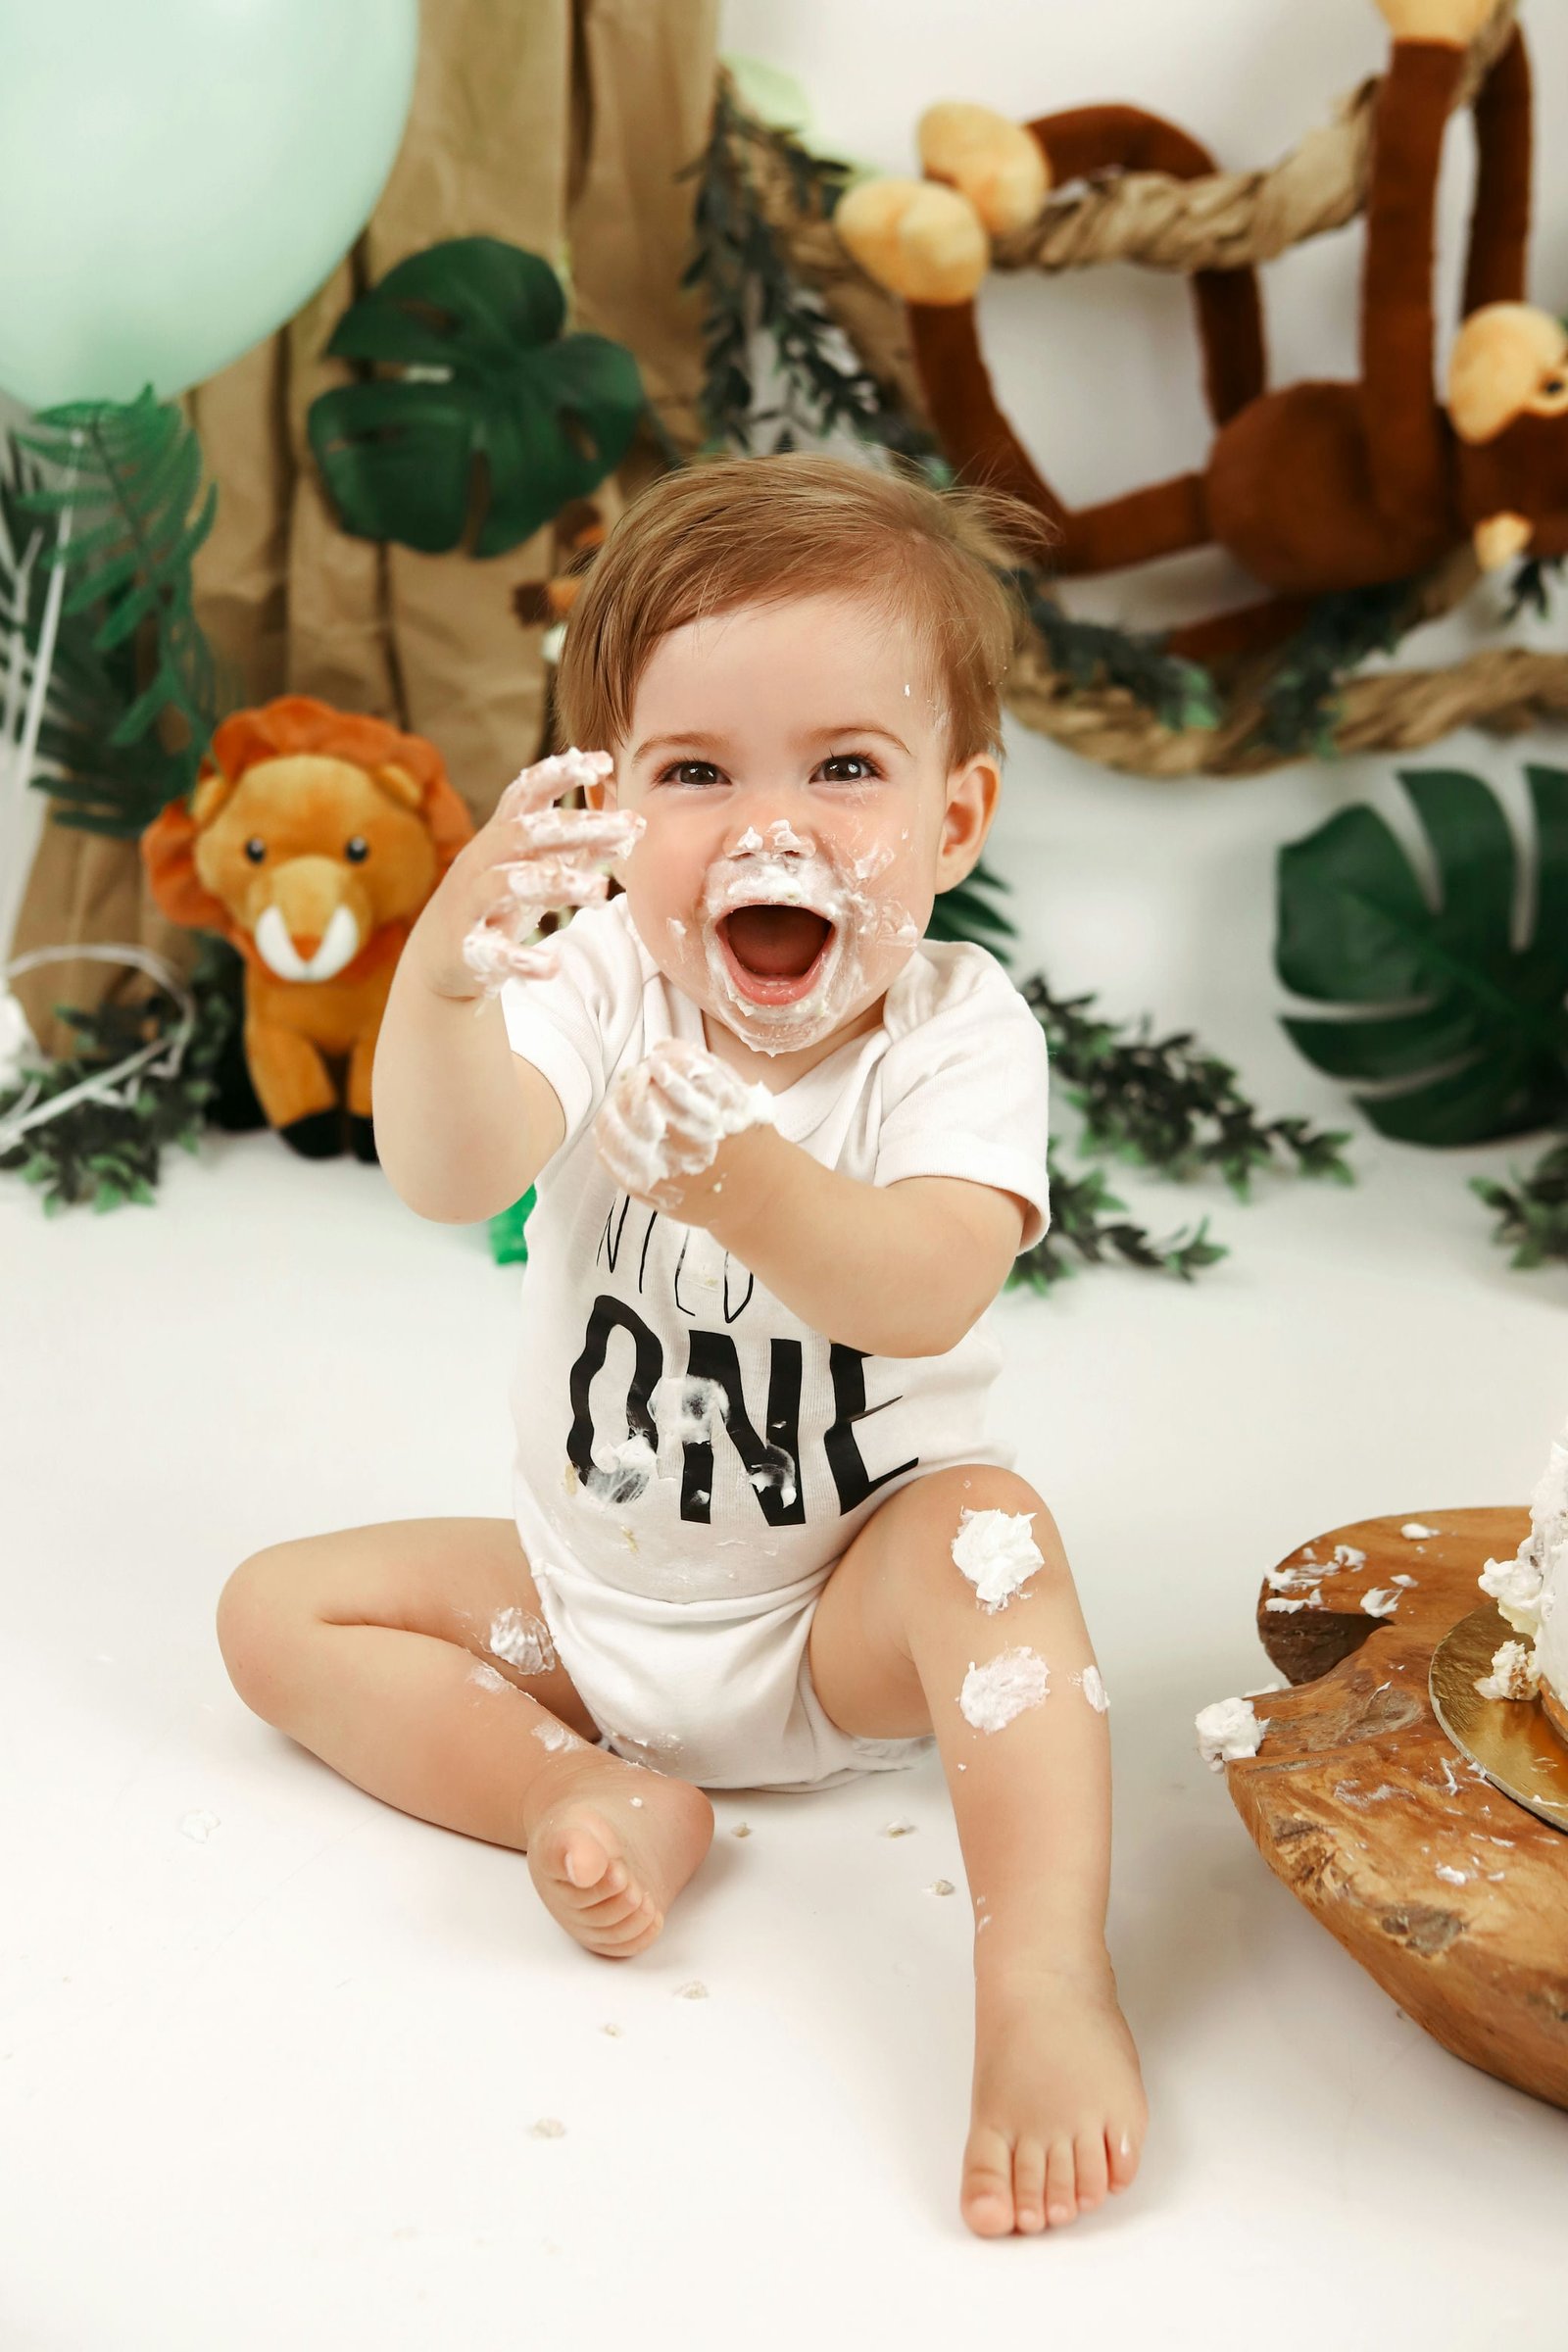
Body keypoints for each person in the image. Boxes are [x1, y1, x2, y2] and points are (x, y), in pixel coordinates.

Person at [216, 453, 1148, 2237]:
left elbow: (927, 1286)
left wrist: (749, 1187)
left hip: (835, 1624)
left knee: (995, 1542)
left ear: (956, 819)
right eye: (696, 774)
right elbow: (449, 1170)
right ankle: (580, 1789)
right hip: (586, 1606)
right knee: (274, 1613)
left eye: (844, 769)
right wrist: (450, 974)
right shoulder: (604, 979)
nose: (767, 829)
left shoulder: (957, 1035)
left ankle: (1044, 1981)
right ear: (608, 808)